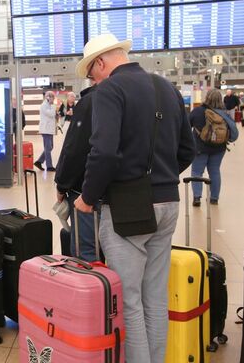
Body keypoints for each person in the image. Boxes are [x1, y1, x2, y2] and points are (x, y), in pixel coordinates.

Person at [73, 34, 196, 363]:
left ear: (101, 63)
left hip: (127, 207)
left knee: (129, 302)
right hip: (169, 202)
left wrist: (88, 197)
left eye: (92, 74)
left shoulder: (110, 90)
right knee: (155, 297)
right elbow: (188, 149)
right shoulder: (167, 88)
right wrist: (160, 177)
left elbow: (103, 152)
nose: (93, 81)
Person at [55, 86, 100, 261]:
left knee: (87, 256)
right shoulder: (139, 96)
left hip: (86, 193)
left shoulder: (90, 102)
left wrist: (62, 185)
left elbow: (75, 150)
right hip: (131, 194)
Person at [188, 89, 238, 206]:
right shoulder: (224, 114)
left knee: (196, 172)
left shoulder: (197, 111)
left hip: (200, 148)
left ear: (207, 98)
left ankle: (197, 198)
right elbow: (233, 131)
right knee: (214, 171)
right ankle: (214, 198)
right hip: (219, 148)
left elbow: (186, 126)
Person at [34, 91, 57, 172]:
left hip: (50, 130)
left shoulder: (49, 105)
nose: (54, 99)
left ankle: (39, 161)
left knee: (50, 147)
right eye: (53, 97)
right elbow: (51, 114)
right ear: (48, 97)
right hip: (46, 130)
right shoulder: (44, 105)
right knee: (48, 148)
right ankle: (49, 166)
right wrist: (53, 106)